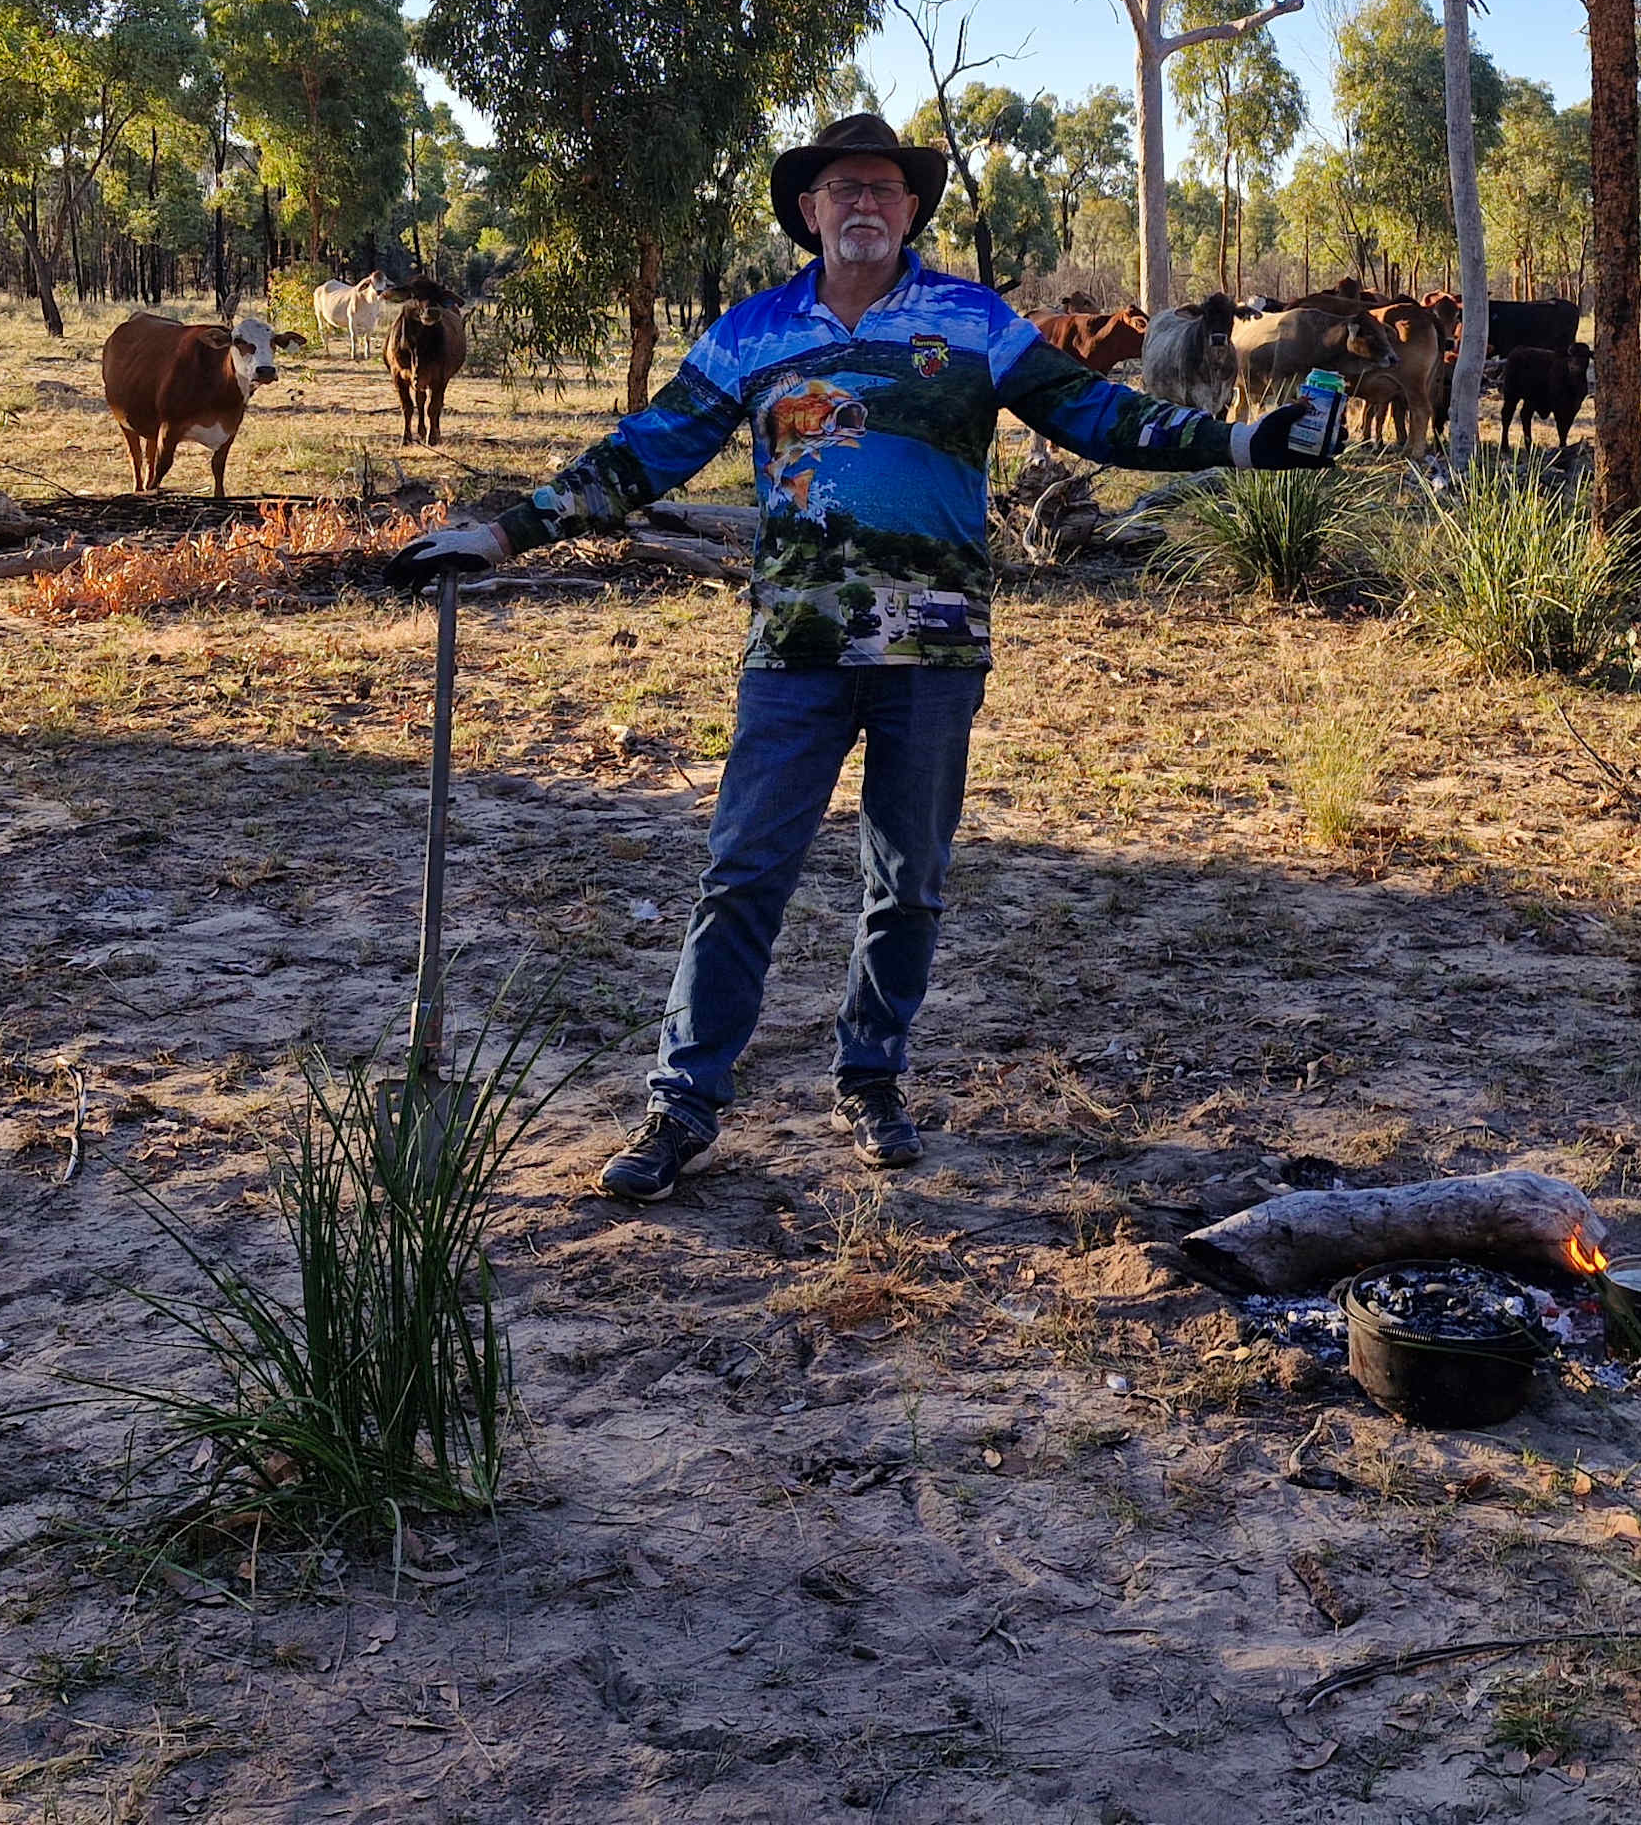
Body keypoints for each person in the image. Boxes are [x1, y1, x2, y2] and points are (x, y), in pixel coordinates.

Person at [387, 113, 1339, 1199]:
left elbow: (1093, 415)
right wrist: (506, 530)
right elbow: (646, 451)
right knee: (743, 872)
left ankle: (871, 1076)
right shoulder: (750, 334)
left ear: (910, 210)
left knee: (908, 884)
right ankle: (682, 1102)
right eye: (843, 188)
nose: (865, 205)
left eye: (886, 189)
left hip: (934, 648)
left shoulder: (971, 321)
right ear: (808, 209)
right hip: (794, 650)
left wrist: (1244, 442)